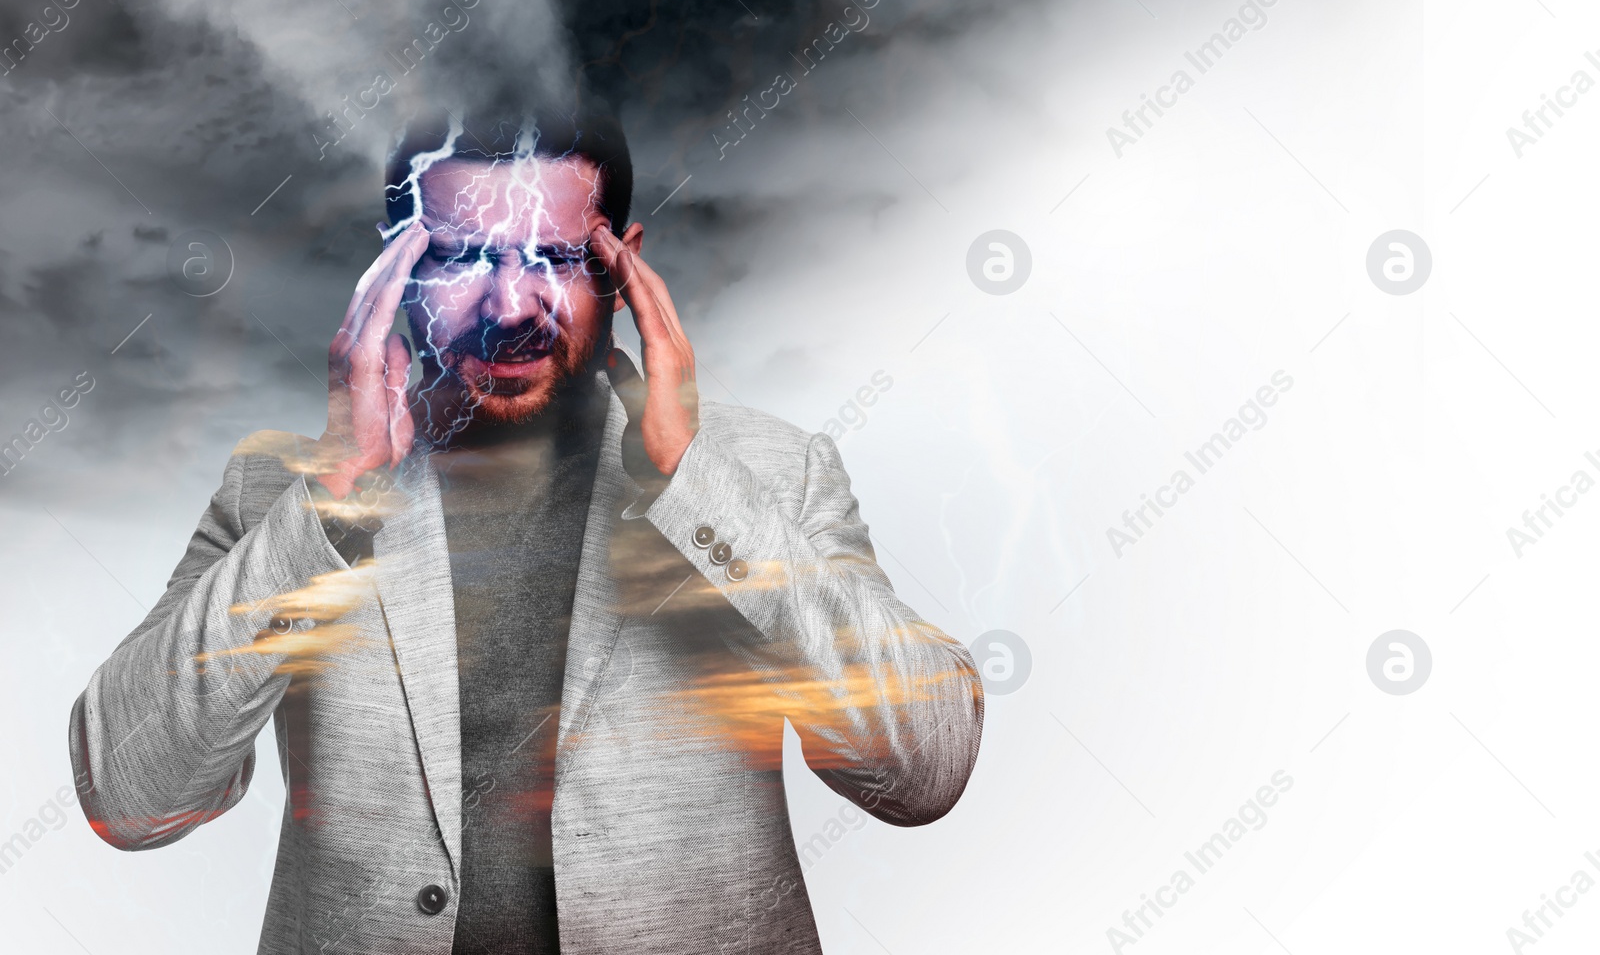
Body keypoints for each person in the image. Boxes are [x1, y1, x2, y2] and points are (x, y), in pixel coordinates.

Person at [67, 102, 984, 954]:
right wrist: (331, 503)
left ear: (620, 266)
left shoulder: (773, 475)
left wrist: (695, 484)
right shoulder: (278, 491)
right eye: (465, 256)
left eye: (552, 258)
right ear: (394, 270)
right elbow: (128, 796)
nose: (510, 309)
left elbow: (922, 772)